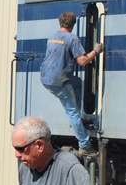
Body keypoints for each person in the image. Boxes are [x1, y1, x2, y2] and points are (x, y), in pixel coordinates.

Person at [40, 11, 103, 154]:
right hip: (59, 82)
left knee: (77, 82)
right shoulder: (72, 39)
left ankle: (79, 118)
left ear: (60, 22)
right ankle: (85, 145)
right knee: (72, 111)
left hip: (46, 78)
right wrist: (95, 51)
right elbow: (82, 61)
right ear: (73, 25)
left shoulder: (52, 37)